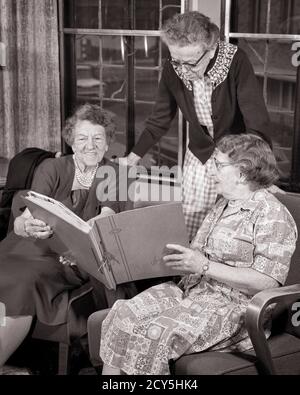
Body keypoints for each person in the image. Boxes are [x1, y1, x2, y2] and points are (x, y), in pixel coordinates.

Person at [100, 134, 297, 376]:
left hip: (236, 308)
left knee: (154, 333)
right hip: (194, 291)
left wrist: (203, 265)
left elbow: (266, 281)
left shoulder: (272, 215)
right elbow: (197, 251)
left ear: (242, 172)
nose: (210, 172)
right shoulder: (222, 204)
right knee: (122, 314)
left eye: (218, 165)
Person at [0, 103, 134, 367]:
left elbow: (106, 216)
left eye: (98, 138)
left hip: (74, 255)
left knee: (20, 283)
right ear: (72, 142)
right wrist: (23, 224)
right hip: (27, 246)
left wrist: (81, 241)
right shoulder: (51, 168)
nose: (90, 145)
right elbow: (30, 210)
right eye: (82, 138)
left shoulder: (116, 174)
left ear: (108, 144)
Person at [120, 11, 272, 240]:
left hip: (235, 155)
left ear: (210, 50)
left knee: (230, 223)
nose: (183, 69)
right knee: (191, 225)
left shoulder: (235, 61)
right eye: (176, 60)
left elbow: (256, 120)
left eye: (190, 62)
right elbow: (159, 119)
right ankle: (190, 273)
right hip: (200, 152)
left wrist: (258, 171)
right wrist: (132, 158)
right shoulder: (175, 68)